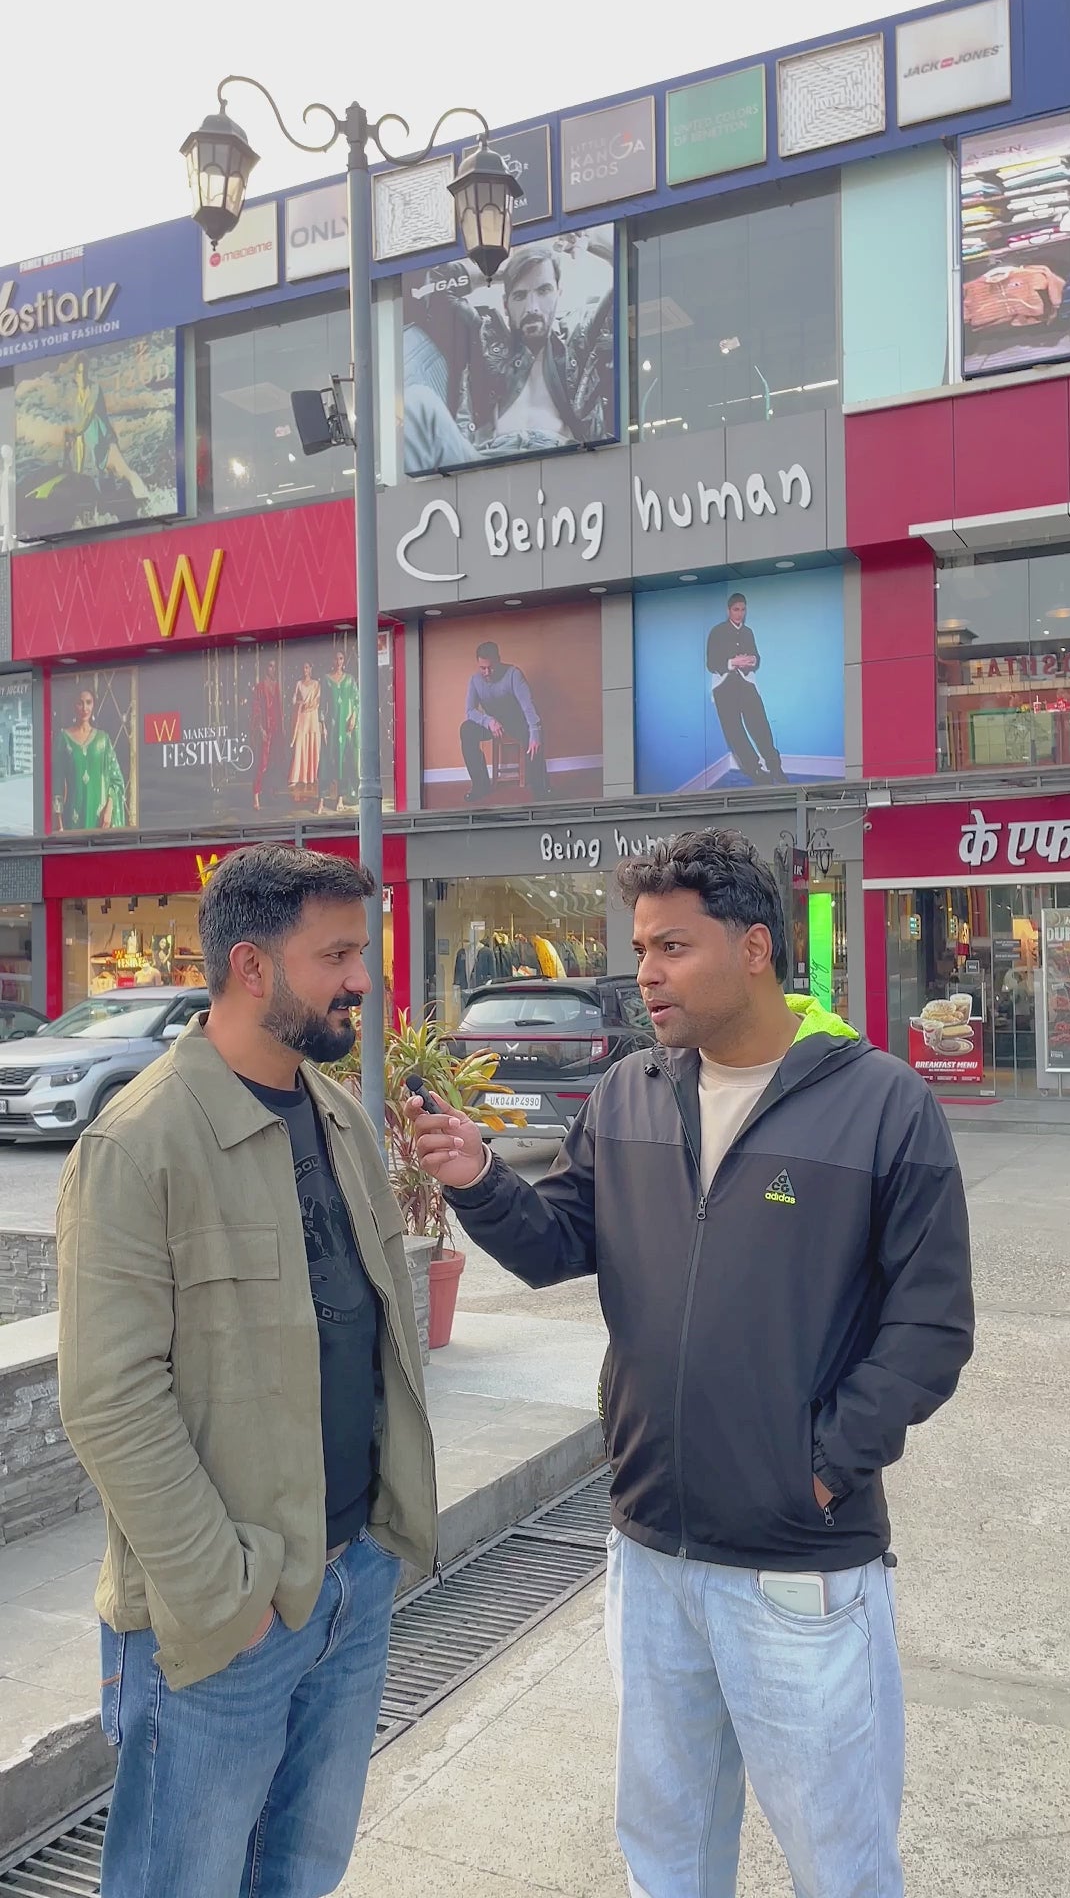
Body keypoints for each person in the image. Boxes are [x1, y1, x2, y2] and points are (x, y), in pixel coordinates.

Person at [409, 827, 974, 1898]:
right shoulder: (629, 1091)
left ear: (754, 947)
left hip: (797, 1564)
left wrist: (820, 1467)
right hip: (649, 1554)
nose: (647, 974)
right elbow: (557, 1244)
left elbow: (931, 1326)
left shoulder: (883, 1103)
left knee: (841, 1867)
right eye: (640, 948)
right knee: (664, 1857)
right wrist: (480, 1177)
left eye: (673, 946)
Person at [56, 844, 437, 1898]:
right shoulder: (139, 1146)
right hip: (225, 1615)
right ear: (253, 967)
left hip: (353, 1581)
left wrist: (377, 1547)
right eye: (338, 956)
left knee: (301, 1873)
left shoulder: (339, 1116)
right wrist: (227, 1595)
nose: (364, 979)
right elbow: (109, 1399)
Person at [404, 233, 614, 472]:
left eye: (543, 290)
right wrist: (501, 272)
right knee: (417, 401)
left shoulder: (579, 338)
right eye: (520, 295)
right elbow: (429, 286)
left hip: (563, 459)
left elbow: (628, 274)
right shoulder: (483, 335)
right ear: (506, 304)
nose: (532, 307)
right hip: (485, 462)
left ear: (559, 293)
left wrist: (592, 240)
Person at [706, 592, 785, 786]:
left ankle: (774, 766)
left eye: (743, 609)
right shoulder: (717, 631)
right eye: (736, 609)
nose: (739, 614)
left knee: (761, 725)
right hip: (724, 686)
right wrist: (733, 662)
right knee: (735, 732)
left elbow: (756, 657)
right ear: (728, 610)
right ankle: (755, 770)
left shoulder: (748, 632)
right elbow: (711, 663)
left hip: (746, 683)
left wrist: (752, 660)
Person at [459, 640, 549, 804]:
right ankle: (481, 786)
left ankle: (541, 790)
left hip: (516, 721)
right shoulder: (474, 680)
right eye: (483, 668)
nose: (487, 672)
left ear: (498, 660)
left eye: (491, 667)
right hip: (494, 724)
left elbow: (527, 705)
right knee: (466, 730)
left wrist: (535, 733)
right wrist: (488, 721)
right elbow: (470, 711)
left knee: (533, 734)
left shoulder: (514, 674)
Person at [66, 356, 150, 501]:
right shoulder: (76, 405)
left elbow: (89, 414)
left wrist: (75, 432)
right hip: (97, 452)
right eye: (79, 372)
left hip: (108, 444)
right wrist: (78, 472)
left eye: (85, 372)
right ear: (75, 375)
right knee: (107, 492)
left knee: (126, 473)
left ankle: (147, 500)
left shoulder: (95, 389)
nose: (83, 376)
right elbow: (80, 442)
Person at [53, 687, 127, 831]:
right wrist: (58, 822)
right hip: (73, 816)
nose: (85, 708)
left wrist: (109, 810)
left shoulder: (103, 740)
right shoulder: (63, 738)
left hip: (100, 818)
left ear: (94, 705)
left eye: (89, 702)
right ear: (74, 706)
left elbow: (116, 780)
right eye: (80, 703)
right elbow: (57, 782)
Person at [321, 648, 359, 814]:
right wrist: (323, 726)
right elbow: (322, 704)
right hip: (331, 726)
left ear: (344, 661)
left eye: (341, 658)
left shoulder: (350, 679)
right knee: (328, 760)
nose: (338, 662)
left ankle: (341, 798)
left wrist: (353, 717)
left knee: (344, 761)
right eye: (336, 659)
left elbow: (356, 700)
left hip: (345, 727)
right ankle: (322, 798)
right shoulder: (326, 679)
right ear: (332, 660)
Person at [250, 655, 285, 812]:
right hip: (265, 729)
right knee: (262, 764)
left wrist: (282, 728)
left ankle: (270, 792)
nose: (273, 669)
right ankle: (256, 795)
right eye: (271, 666)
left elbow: (279, 708)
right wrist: (260, 729)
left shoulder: (276, 686)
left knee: (273, 762)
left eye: (274, 666)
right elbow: (256, 710)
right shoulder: (260, 687)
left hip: (276, 729)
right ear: (266, 668)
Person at [289, 660, 323, 801]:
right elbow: (293, 701)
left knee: (313, 744)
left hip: (312, 717)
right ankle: (298, 776)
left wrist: (309, 705)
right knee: (300, 744)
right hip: (302, 717)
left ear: (311, 669)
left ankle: (312, 775)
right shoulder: (298, 684)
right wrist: (300, 704)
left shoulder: (316, 684)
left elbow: (318, 701)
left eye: (307, 667)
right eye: (303, 668)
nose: (305, 670)